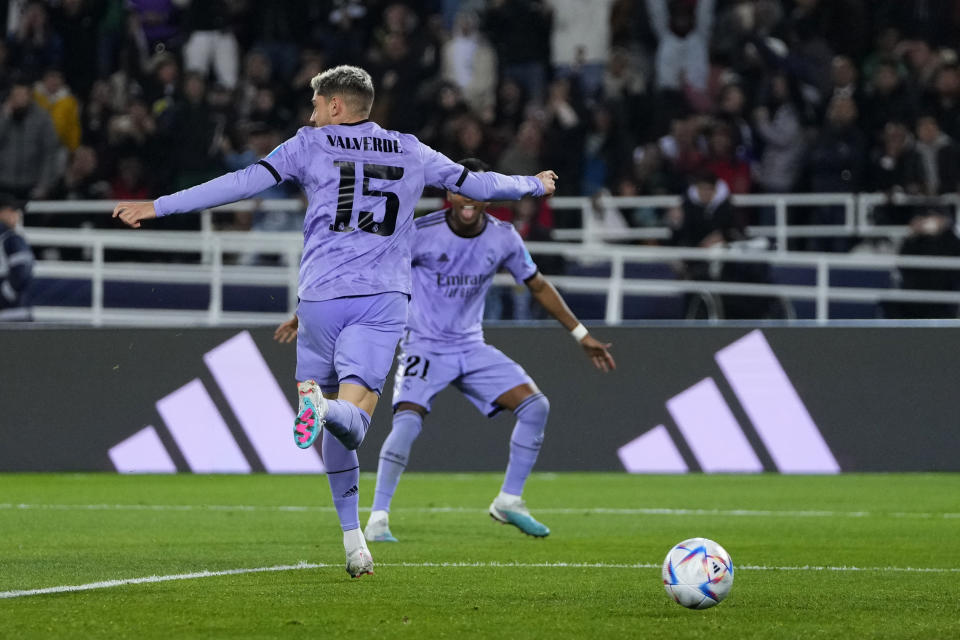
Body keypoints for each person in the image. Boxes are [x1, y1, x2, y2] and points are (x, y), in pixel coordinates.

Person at [112, 65, 557, 578]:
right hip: (381, 300)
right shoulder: (412, 149)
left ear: (336, 107)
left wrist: (158, 206)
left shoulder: (309, 145)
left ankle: (352, 542)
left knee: (335, 431)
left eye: (316, 105)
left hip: (319, 299)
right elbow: (475, 182)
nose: (311, 114)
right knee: (353, 420)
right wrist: (533, 185)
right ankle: (322, 410)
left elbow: (240, 183)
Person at [275, 158, 614, 541]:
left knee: (536, 406)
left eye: (476, 190)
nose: (467, 198)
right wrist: (305, 314)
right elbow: (368, 269)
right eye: (459, 190)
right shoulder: (421, 233)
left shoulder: (503, 237)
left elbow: (537, 285)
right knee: (406, 423)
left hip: (471, 347)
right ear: (449, 194)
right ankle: (378, 518)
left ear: (488, 194)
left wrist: (581, 333)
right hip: (424, 345)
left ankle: (509, 501)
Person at [0, 194, 34, 321]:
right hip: (14, 312)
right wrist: (6, 295)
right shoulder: (11, 238)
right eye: (13, 210)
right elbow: (22, 270)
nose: (18, 215)